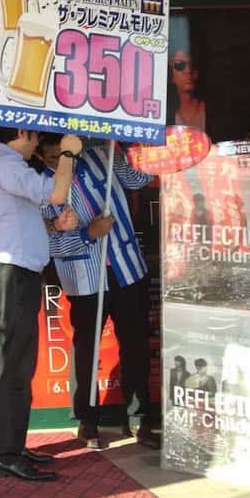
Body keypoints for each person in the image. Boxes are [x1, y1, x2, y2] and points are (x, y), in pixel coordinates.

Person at [38, 134, 160, 451]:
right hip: (84, 276)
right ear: (41, 156)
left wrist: (128, 142)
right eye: (53, 157)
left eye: (66, 154)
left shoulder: (101, 154)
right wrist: (89, 233)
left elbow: (137, 178)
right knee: (86, 349)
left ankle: (140, 417)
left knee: (134, 344)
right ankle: (87, 420)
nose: (61, 162)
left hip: (125, 266)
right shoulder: (41, 188)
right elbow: (51, 244)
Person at [0, 126, 80, 483]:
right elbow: (56, 191)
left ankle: (12, 448)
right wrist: (67, 153)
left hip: (14, 275)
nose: (39, 144)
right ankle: (5, 454)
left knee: (19, 368)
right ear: (21, 132)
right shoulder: (5, 165)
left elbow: (16, 223)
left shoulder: (4, 167)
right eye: (37, 137)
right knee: (14, 370)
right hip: (10, 276)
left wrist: (53, 226)